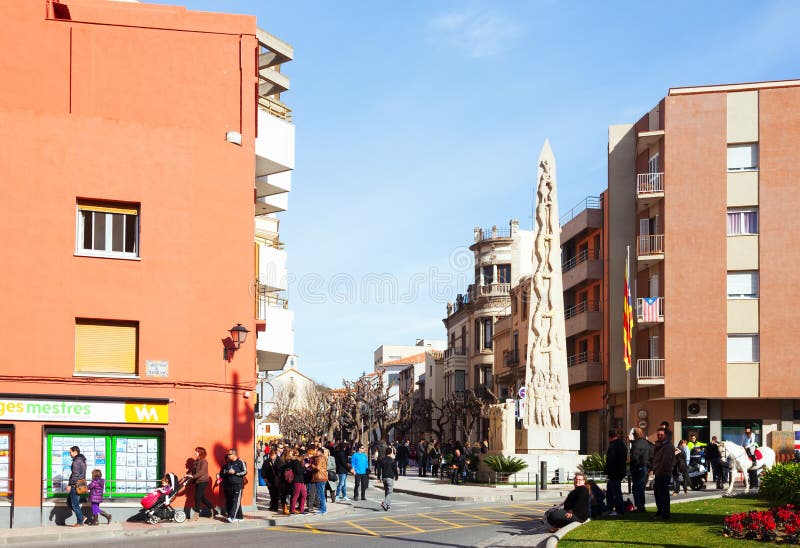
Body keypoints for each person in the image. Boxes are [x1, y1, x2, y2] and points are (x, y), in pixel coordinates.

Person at [217, 448, 247, 522]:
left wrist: (235, 472)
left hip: (238, 485)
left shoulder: (241, 462)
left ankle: (231, 517)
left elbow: (245, 472)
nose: (228, 455)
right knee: (233, 501)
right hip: (229, 485)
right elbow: (224, 473)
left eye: (229, 454)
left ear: (233, 455)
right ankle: (240, 517)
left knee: (236, 501)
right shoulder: (228, 463)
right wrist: (220, 477)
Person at [652, 426, 674, 520]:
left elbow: (665, 461)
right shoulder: (660, 445)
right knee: (658, 492)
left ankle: (664, 514)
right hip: (658, 472)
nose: (659, 436)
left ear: (666, 435)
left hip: (663, 473)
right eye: (658, 435)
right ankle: (660, 511)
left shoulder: (668, 446)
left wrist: (659, 470)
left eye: (661, 435)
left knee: (663, 494)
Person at [187, 446, 215, 520]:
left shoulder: (204, 461)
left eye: (196, 451)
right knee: (201, 497)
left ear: (200, 452)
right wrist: (189, 474)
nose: (195, 452)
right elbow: (194, 471)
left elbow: (202, 472)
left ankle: (196, 515)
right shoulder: (196, 461)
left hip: (203, 481)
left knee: (197, 497)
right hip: (197, 481)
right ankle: (212, 509)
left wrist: (193, 476)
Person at [604, 429, 627, 515]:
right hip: (620, 471)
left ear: (610, 437)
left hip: (614, 472)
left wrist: (606, 470)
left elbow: (611, 460)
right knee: (611, 490)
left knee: (616, 492)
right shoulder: (622, 445)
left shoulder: (613, 446)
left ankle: (619, 510)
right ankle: (610, 507)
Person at [629, 427, 652, 513]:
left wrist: (632, 466)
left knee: (635, 488)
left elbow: (634, 457)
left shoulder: (636, 444)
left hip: (637, 468)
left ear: (634, 435)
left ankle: (639, 507)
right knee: (641, 488)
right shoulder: (645, 443)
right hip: (644, 467)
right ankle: (642, 506)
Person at [66, 446, 87, 527]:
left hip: (75, 485)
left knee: (75, 505)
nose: (69, 454)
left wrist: (69, 485)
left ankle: (80, 522)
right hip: (79, 484)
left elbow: (75, 475)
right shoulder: (82, 460)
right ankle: (81, 517)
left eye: (70, 452)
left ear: (75, 452)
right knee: (69, 502)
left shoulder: (76, 461)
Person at [285, 449, 307, 514]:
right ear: (301, 456)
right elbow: (299, 471)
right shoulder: (296, 462)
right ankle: (292, 510)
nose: (305, 457)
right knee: (295, 495)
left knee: (304, 495)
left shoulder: (299, 461)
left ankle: (301, 509)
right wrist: (305, 467)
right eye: (304, 456)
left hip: (301, 480)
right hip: (297, 480)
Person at [311, 446, 328, 515]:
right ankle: (322, 508)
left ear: (319, 452)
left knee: (321, 494)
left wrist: (312, 465)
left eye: (317, 451)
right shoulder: (323, 457)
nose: (316, 452)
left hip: (320, 477)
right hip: (322, 477)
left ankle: (323, 509)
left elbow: (317, 467)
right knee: (321, 494)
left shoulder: (320, 458)